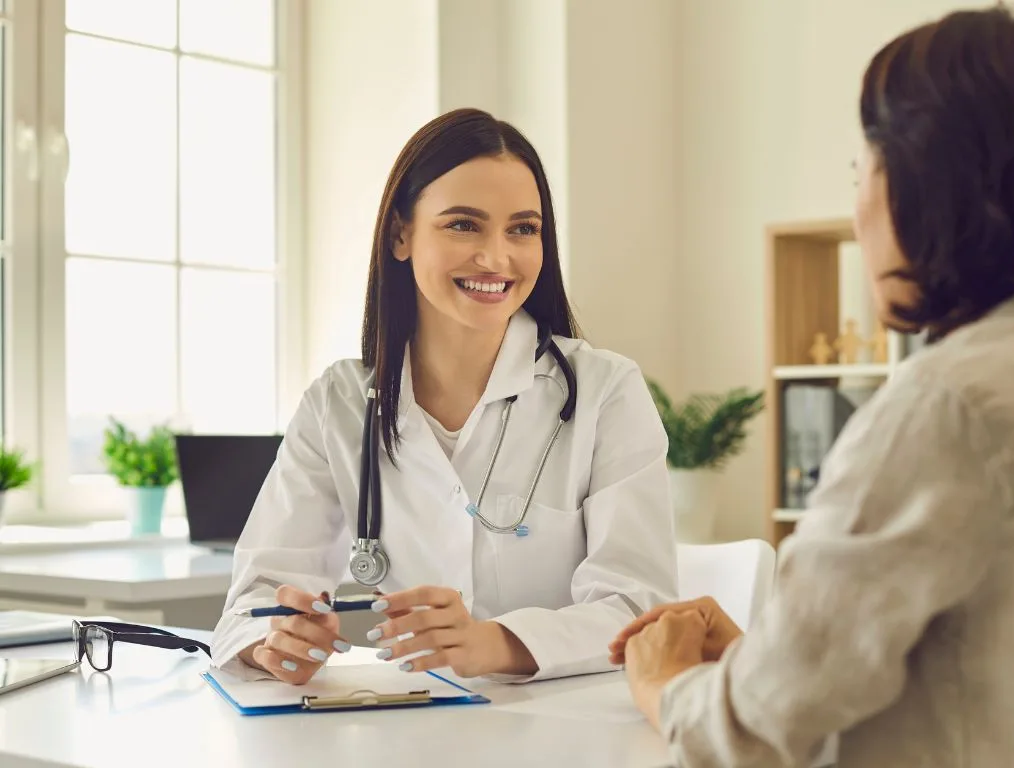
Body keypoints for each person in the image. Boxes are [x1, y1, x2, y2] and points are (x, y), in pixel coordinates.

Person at [609, 6, 1014, 767]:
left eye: (860, 170)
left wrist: (666, 683)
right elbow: (965, 658)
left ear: (924, 184)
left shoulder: (943, 407)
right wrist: (772, 655)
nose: (858, 204)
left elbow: (751, 733)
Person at [211, 108, 678, 685]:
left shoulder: (605, 391)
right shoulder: (340, 401)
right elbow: (255, 596)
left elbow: (638, 606)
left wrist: (496, 643)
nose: (496, 257)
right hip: (419, 722)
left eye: (523, 229)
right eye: (464, 224)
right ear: (401, 234)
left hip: (571, 727)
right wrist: (273, 638)